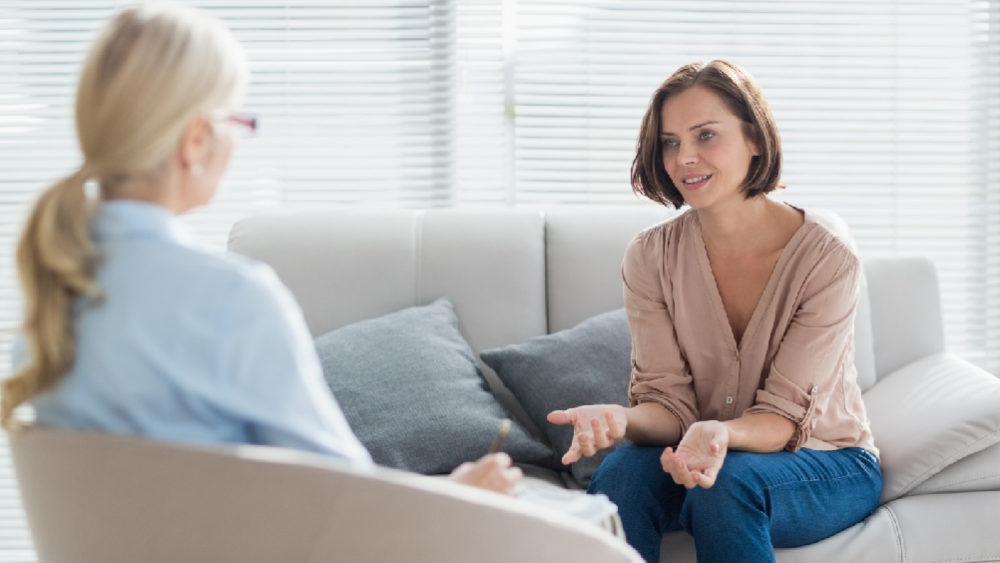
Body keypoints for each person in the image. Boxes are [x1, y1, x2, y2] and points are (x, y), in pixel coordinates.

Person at [1, 2, 520, 497]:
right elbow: (347, 508)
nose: (237, 142)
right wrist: (458, 495)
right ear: (197, 141)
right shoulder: (231, 300)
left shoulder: (51, 307)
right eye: (235, 121)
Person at [547, 60, 882, 562]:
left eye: (706, 135)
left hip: (824, 461)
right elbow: (669, 406)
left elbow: (784, 421)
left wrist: (722, 434)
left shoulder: (826, 260)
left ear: (755, 139)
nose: (685, 158)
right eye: (670, 142)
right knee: (619, 477)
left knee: (726, 483)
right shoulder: (650, 257)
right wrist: (623, 419)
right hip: (700, 452)